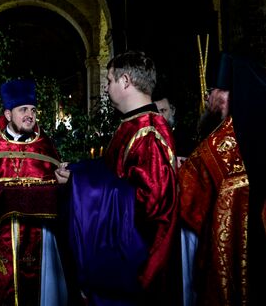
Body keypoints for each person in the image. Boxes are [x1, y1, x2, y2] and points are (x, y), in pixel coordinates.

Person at [178, 50, 266, 306]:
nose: (209, 98)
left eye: (214, 91)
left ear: (229, 95)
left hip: (239, 256)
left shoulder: (222, 142)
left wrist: (176, 168)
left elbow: (186, 197)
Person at [56, 50, 181, 305]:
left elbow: (153, 205)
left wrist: (79, 185)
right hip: (117, 254)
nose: (107, 87)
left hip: (136, 265)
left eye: (110, 80)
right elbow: (112, 170)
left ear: (125, 81)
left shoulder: (150, 134)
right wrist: (77, 171)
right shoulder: (131, 124)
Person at [0, 78, 70, 306]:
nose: (30, 115)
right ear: (7, 114)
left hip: (39, 234)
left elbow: (58, 192)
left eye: (33, 110)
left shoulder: (44, 145)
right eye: (23, 109)